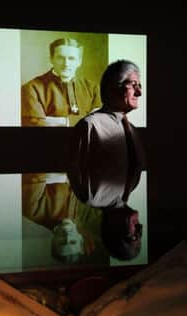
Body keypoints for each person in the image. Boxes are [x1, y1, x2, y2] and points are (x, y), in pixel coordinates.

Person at [67, 59, 146, 260]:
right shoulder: (90, 126)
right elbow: (75, 169)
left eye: (134, 233)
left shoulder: (133, 131)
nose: (139, 93)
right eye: (134, 85)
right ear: (113, 89)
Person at [22, 173, 109, 264]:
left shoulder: (32, 211)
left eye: (61, 242)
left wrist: (66, 177)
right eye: (73, 241)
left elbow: (34, 174)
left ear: (53, 242)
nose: (67, 236)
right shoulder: (96, 218)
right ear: (80, 240)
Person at [21, 38, 102, 127]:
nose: (66, 64)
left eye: (71, 58)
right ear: (51, 59)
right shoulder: (31, 88)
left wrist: (60, 121)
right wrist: (84, 119)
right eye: (60, 58)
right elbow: (35, 124)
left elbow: (100, 121)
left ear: (79, 62)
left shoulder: (93, 88)